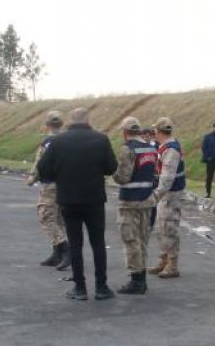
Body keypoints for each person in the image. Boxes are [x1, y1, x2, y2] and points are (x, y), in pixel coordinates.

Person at [36, 107, 118, 301]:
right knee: (98, 243)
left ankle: (80, 288)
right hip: (94, 199)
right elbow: (111, 168)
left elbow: (43, 167)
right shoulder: (101, 139)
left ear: (70, 121)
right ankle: (101, 287)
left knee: (75, 244)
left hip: (69, 199)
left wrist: (59, 175)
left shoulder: (58, 142)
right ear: (88, 119)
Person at [111, 117, 158, 295]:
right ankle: (142, 278)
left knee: (130, 240)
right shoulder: (150, 148)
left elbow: (123, 177)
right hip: (147, 200)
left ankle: (136, 280)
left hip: (129, 201)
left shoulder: (127, 149)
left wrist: (113, 174)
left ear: (124, 132)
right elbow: (155, 175)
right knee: (143, 240)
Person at [27, 111, 70, 269]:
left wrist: (32, 178)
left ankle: (65, 248)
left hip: (50, 185)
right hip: (65, 185)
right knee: (59, 220)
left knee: (46, 218)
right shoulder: (68, 141)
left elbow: (41, 163)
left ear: (47, 125)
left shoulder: (47, 142)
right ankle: (57, 253)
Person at [148, 117, 186, 279]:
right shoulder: (165, 147)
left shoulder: (170, 150)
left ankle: (172, 264)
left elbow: (167, 178)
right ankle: (164, 260)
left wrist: (155, 195)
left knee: (169, 228)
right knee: (161, 227)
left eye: (154, 131)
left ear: (158, 131)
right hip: (166, 194)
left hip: (170, 194)